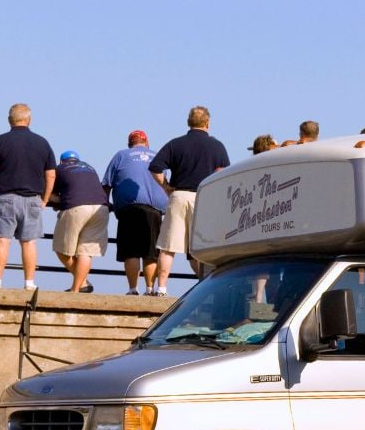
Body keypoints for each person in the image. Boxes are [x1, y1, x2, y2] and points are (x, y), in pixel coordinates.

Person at [149, 106, 230, 296]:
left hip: (178, 195)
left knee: (168, 246)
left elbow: (155, 167)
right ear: (208, 123)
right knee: (200, 246)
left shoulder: (175, 144)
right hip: (203, 197)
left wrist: (166, 187)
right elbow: (223, 173)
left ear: (188, 122)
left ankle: (161, 288)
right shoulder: (217, 146)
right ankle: (206, 288)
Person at [0, 103, 56, 291]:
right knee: (29, 242)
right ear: (29, 120)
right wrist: (45, 199)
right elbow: (51, 174)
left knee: (2, 240)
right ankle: (29, 283)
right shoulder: (42, 142)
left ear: (9, 120)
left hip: (4, 197)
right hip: (32, 199)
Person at [101, 130, 168, 295]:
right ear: (147, 142)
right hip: (154, 211)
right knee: (150, 252)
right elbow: (166, 184)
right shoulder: (157, 156)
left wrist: (106, 204)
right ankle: (150, 289)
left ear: (130, 143)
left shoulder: (121, 155)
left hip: (128, 210)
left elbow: (106, 185)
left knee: (131, 252)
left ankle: (132, 289)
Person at [51, 150, 110, 293]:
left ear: (61, 161)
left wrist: (56, 200)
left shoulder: (59, 169)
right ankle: (77, 289)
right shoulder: (90, 168)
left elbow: (49, 193)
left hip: (76, 207)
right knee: (85, 252)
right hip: (101, 208)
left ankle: (82, 283)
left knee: (61, 249)